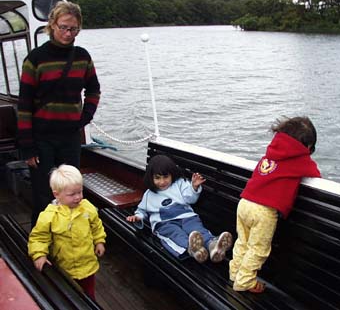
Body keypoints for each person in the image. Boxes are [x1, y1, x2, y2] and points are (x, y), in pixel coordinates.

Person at [17, 1, 101, 228]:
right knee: (45, 193)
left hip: (70, 138)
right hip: (41, 138)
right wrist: (28, 147)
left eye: (73, 29)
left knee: (71, 192)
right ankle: (41, 242)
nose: (68, 33)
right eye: (63, 27)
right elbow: (24, 105)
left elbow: (94, 89)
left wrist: (85, 117)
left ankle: (70, 236)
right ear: (52, 25)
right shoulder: (35, 59)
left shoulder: (82, 57)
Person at [229, 116, 321, 293]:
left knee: (243, 242)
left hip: (245, 202)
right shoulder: (300, 159)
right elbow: (316, 175)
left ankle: (235, 273)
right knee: (258, 249)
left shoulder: (270, 153)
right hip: (263, 211)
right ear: (307, 146)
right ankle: (245, 282)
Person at [126, 155, 233, 263]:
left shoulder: (180, 184)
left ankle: (213, 246)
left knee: (197, 230)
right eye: (157, 178)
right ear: (151, 178)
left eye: (165, 177)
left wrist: (194, 187)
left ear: (172, 174)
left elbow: (190, 199)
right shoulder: (149, 194)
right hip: (164, 223)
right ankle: (192, 249)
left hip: (187, 217)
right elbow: (142, 211)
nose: (162, 182)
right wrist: (137, 217)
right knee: (175, 234)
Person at [28, 164, 106, 300]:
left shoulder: (87, 208)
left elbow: (96, 225)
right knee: (66, 297)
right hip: (64, 268)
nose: (78, 197)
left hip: (87, 265)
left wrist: (99, 241)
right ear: (56, 194)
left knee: (89, 297)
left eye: (80, 192)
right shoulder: (49, 216)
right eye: (72, 194)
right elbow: (39, 238)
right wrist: (39, 255)